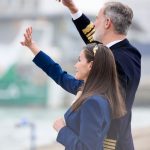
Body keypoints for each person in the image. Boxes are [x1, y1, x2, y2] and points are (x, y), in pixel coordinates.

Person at [21, 27, 126, 150]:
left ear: (91, 65)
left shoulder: (94, 101)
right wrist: (32, 47)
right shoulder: (85, 89)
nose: (75, 65)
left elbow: (87, 148)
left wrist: (61, 129)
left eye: (79, 60)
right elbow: (58, 73)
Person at [57, 0, 141, 150]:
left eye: (97, 19)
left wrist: (63, 130)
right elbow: (94, 44)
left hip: (110, 143)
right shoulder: (127, 53)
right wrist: (73, 9)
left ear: (108, 22)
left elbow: (110, 106)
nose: (93, 24)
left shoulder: (118, 60)